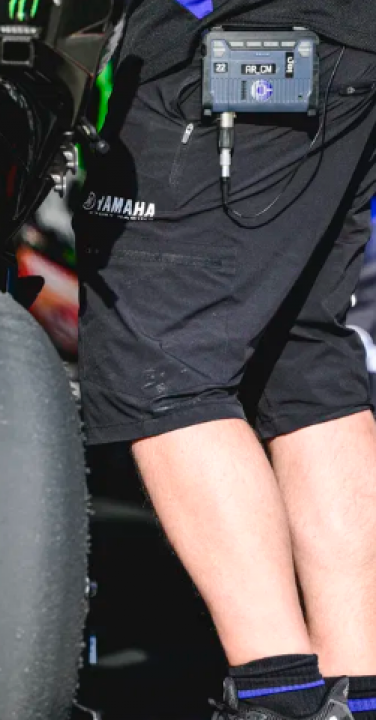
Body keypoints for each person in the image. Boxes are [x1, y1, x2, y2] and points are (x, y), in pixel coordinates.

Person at [77, 1, 376, 718]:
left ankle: (278, 698)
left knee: (160, 367)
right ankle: (359, 693)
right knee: (300, 362)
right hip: (346, 41)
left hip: (242, 34)